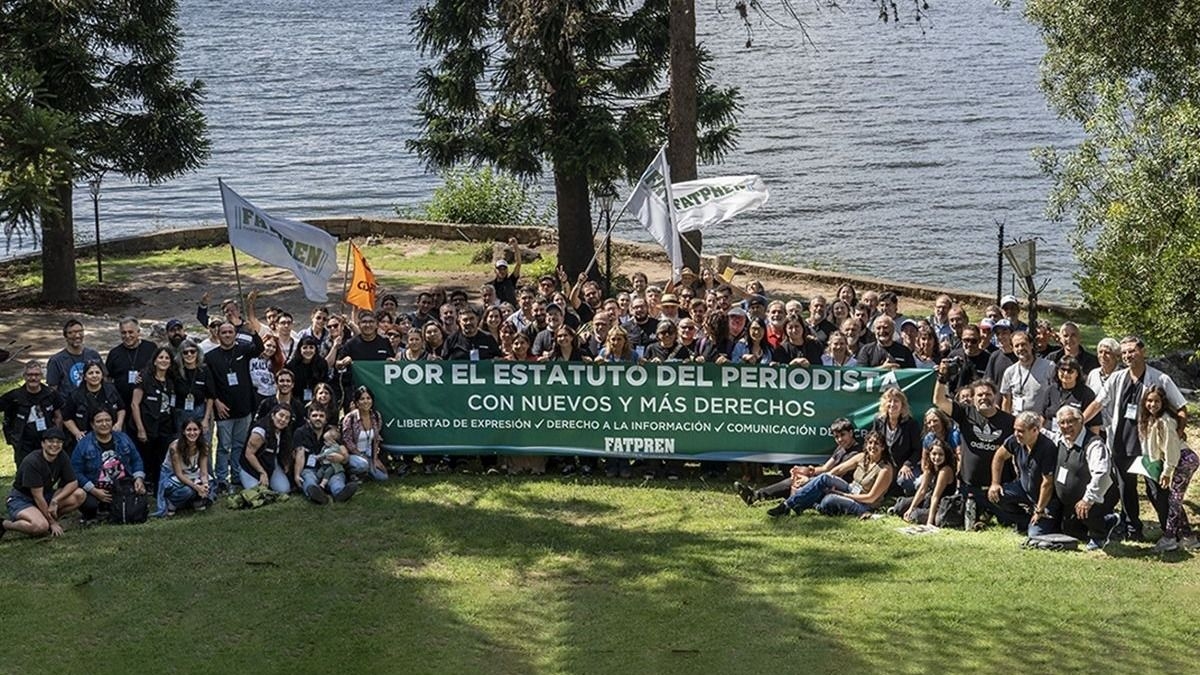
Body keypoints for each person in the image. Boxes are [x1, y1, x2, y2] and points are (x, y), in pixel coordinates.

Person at [1082, 335, 1188, 542]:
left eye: (1132, 351)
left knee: (1157, 491)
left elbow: (1182, 408)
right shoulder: (1117, 378)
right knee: (1126, 489)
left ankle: (1171, 531)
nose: (1128, 356)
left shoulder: (1160, 379)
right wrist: (1080, 421)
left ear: (1143, 351)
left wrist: (1175, 435)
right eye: (1124, 353)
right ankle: (1133, 530)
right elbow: (1098, 403)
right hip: (1121, 444)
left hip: (1150, 448)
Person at [933, 369, 1016, 528]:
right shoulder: (965, 413)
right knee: (962, 521)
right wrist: (942, 378)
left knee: (1010, 522)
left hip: (998, 488)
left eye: (988, 394)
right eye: (979, 395)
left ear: (995, 396)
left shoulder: (1009, 421)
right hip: (970, 487)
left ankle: (989, 515)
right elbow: (939, 400)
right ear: (972, 398)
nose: (984, 397)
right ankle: (981, 517)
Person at [767, 431, 894, 518]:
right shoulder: (861, 457)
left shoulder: (885, 469)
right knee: (825, 478)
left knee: (829, 499)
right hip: (851, 489)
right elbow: (837, 470)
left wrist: (843, 494)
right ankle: (787, 506)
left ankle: (809, 504)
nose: (872, 446)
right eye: (870, 443)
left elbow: (871, 498)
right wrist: (812, 480)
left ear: (883, 447)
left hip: (864, 504)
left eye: (877, 444)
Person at [204, 316, 266, 494]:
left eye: (230, 332)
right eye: (224, 332)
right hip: (224, 410)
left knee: (239, 444)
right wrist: (216, 402)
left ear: (235, 334)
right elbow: (210, 384)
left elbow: (259, 349)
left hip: (244, 407)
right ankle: (222, 478)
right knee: (224, 446)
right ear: (218, 334)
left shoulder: (244, 350)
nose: (227, 335)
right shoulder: (210, 357)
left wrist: (254, 333)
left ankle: (237, 475)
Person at [735, 418, 860, 505]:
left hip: (840, 487)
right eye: (836, 437)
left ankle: (757, 496)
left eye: (842, 435)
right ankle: (757, 496)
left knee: (797, 482)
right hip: (828, 480)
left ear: (851, 432)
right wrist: (804, 470)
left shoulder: (857, 452)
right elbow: (825, 468)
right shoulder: (841, 449)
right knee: (796, 478)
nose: (839, 439)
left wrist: (809, 479)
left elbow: (837, 473)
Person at [1049, 406, 1120, 551]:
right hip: (1071, 502)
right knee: (1071, 532)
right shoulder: (1060, 439)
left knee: (1089, 514)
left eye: (1070, 422)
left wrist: (1087, 500)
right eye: (1062, 423)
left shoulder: (1094, 444)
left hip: (1095, 498)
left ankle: (1100, 534)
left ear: (1081, 421)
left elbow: (1101, 475)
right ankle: (1106, 521)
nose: (1066, 426)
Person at [1137, 385, 1198, 552]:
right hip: (1174, 460)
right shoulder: (1151, 419)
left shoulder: (1166, 421)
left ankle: (1169, 538)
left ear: (1163, 402)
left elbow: (1171, 449)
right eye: (1149, 401)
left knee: (1174, 500)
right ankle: (1188, 537)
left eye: (1156, 401)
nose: (1152, 404)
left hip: (1183, 460)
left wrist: (1167, 472)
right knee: (1174, 499)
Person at [2, 428, 85, 539]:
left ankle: (45, 517)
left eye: (59, 442)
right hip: (23, 499)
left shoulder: (62, 456)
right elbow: (38, 497)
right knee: (40, 527)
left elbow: (73, 482)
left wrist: (55, 500)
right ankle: (5, 524)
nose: (55, 445)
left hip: (46, 495)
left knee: (80, 494)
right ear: (43, 444)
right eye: (51, 441)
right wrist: (52, 523)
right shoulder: (32, 462)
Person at [985, 411, 1057, 534]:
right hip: (1023, 488)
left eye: (1021, 431)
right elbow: (999, 456)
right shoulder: (1015, 441)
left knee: (1035, 535)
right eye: (1015, 430)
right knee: (995, 496)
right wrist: (995, 483)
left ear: (1035, 430)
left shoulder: (1047, 448)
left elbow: (1047, 483)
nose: (1016, 434)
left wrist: (1040, 510)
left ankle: (1040, 520)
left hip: (1045, 498)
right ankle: (1023, 520)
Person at [70, 409, 146, 523]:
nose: (104, 424)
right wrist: (94, 490)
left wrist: (139, 478)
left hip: (122, 485)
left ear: (112, 422)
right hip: (96, 487)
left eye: (108, 420)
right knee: (90, 505)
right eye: (99, 421)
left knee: (137, 498)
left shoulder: (123, 438)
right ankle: (97, 513)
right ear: (92, 424)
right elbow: (76, 471)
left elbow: (136, 460)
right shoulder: (83, 444)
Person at [130, 347, 179, 488]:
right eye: (161, 357)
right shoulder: (144, 377)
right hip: (147, 425)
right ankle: (144, 484)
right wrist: (140, 428)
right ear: (155, 361)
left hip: (165, 425)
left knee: (162, 456)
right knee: (146, 456)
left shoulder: (171, 380)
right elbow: (134, 404)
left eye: (167, 358)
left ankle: (160, 484)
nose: (164, 360)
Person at [0, 361, 63, 467]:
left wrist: (57, 436)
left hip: (46, 440)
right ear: (24, 376)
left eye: (36, 375)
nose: (33, 378)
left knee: (46, 471)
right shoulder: (14, 397)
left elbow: (58, 416)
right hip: (23, 442)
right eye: (29, 375)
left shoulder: (51, 394)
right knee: (24, 470)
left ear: (42, 376)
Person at [292, 405, 357, 504]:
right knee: (308, 478)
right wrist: (297, 475)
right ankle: (315, 494)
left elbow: (344, 452)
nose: (318, 418)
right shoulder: (300, 432)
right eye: (314, 415)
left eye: (321, 416)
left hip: (331, 467)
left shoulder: (332, 432)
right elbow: (300, 455)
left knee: (336, 478)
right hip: (310, 469)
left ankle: (340, 493)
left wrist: (342, 458)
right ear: (309, 418)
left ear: (326, 419)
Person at [869, 387, 922, 495]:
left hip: (903, 465)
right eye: (889, 401)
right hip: (885, 464)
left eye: (896, 401)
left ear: (902, 405)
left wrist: (907, 464)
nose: (892, 404)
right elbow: (873, 441)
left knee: (905, 481)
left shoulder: (911, 424)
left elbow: (918, 450)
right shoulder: (878, 421)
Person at [894, 439, 958, 526]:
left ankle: (924, 514)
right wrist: (911, 508)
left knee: (914, 516)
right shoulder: (930, 467)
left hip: (940, 505)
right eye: (934, 454)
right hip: (928, 499)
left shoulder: (945, 470)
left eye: (941, 454)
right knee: (899, 507)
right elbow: (922, 490)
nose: (937, 457)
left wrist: (929, 522)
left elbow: (936, 496)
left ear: (946, 456)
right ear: (929, 454)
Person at [157, 419, 212, 516]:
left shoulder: (204, 446)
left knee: (211, 484)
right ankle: (172, 502)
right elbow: (179, 474)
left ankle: (195, 500)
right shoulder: (175, 447)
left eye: (195, 430)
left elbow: (203, 472)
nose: (192, 433)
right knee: (187, 491)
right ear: (183, 431)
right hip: (172, 475)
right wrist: (197, 487)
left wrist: (205, 485)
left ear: (200, 431)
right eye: (188, 430)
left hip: (191, 472)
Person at [63, 361, 126, 441]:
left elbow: (121, 409)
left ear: (102, 375)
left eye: (97, 372)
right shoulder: (75, 395)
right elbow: (66, 418)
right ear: (84, 377)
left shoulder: (111, 390)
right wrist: (77, 432)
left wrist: (119, 423)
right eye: (90, 373)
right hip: (87, 437)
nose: (94, 376)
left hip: (111, 434)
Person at [1031, 357, 1096, 432]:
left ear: (1077, 374)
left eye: (1070, 371)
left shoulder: (1086, 393)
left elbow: (1094, 424)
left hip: (1074, 436)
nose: (1065, 374)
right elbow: (1043, 416)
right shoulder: (1051, 390)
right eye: (1062, 370)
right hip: (1050, 434)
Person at [105, 317, 159, 408]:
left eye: (130, 332)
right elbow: (107, 377)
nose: (127, 336)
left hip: (147, 402)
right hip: (122, 403)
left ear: (138, 332)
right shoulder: (114, 353)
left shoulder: (151, 348)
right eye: (123, 333)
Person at [239, 405, 295, 492]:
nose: (283, 420)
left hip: (271, 463)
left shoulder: (285, 431)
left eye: (287, 418)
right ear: (273, 415)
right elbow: (249, 454)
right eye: (281, 415)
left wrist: (286, 464)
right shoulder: (260, 431)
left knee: (284, 490)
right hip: (250, 465)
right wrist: (262, 472)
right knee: (258, 492)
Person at [999, 331, 1055, 414]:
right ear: (1012, 348)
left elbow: (1056, 396)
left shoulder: (1049, 367)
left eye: (1023, 344)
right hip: (1018, 422)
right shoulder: (1009, 372)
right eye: (1016, 346)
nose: (1020, 348)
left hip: (1041, 422)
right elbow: (1006, 401)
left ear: (1031, 345)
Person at [342, 385, 388, 482]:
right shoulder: (350, 418)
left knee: (383, 477)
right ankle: (350, 473)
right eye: (362, 399)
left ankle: (363, 474)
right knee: (363, 465)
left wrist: (375, 459)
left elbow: (376, 439)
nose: (366, 401)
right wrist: (361, 456)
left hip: (369, 455)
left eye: (368, 398)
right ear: (357, 402)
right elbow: (347, 441)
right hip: (353, 455)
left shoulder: (376, 416)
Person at [46, 319, 103, 395]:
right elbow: (52, 390)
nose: (77, 335)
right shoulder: (56, 361)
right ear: (65, 336)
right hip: (67, 404)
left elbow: (104, 380)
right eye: (71, 333)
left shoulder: (93, 355)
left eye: (80, 331)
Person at [487, 238, 522, 305]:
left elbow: (518, 264)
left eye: (504, 269)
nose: (502, 271)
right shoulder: (491, 285)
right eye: (500, 269)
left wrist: (516, 247)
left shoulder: (511, 280)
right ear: (495, 270)